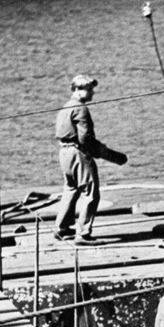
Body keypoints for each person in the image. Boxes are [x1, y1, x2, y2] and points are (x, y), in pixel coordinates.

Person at [54, 74, 127, 244]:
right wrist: (103, 153)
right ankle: (83, 234)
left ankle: (61, 229)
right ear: (78, 90)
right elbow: (85, 138)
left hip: (64, 153)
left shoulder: (66, 107)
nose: (92, 93)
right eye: (89, 89)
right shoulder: (80, 109)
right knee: (90, 193)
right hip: (78, 153)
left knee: (71, 189)